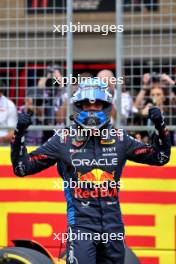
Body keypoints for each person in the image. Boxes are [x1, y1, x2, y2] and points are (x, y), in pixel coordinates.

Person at [11, 78, 171, 264]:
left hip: (113, 226)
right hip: (81, 226)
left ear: (106, 106)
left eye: (97, 105)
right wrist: (19, 135)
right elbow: (22, 168)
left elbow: (160, 158)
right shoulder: (63, 139)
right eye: (87, 105)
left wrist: (161, 128)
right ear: (78, 106)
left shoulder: (119, 138)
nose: (92, 109)